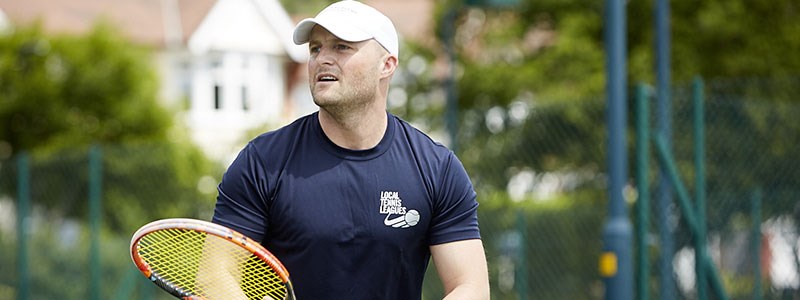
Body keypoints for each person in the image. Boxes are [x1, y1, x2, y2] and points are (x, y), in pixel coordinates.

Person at [211, 1, 489, 299]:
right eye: (315, 49)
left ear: (387, 65)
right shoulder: (262, 162)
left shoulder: (437, 169)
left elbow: (469, 286)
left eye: (341, 47)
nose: (322, 59)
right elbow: (215, 275)